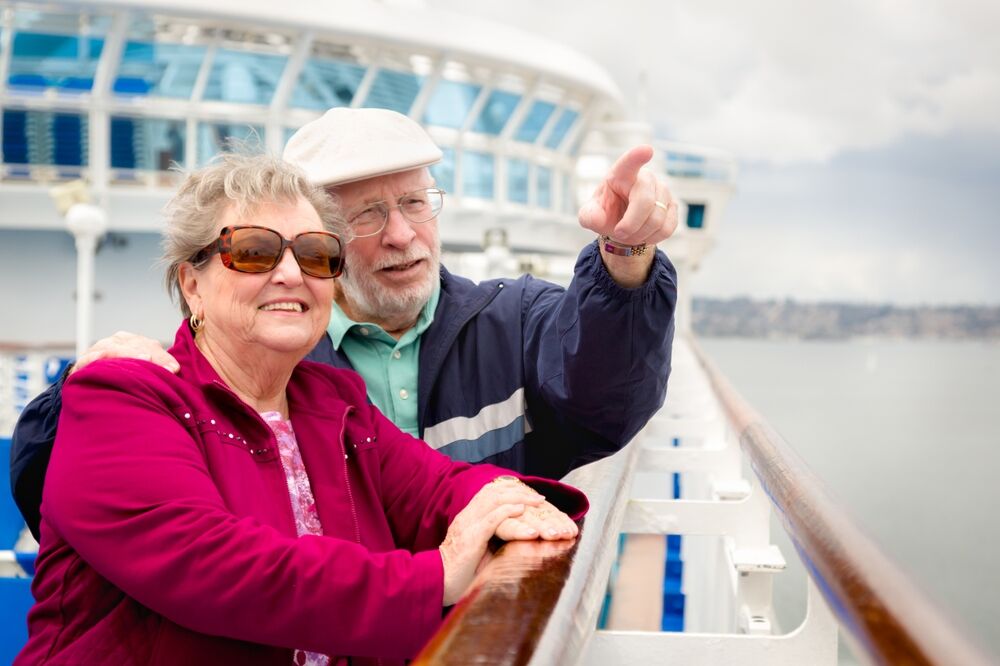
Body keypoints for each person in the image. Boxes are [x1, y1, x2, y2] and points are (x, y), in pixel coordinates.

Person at [15, 153, 585, 665]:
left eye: (316, 254)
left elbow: (434, 488)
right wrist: (432, 577)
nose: (291, 273)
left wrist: (518, 509)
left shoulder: (330, 402)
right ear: (192, 283)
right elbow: (214, 568)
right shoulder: (123, 396)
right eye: (254, 251)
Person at [10, 108, 678, 540]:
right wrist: (79, 392)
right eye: (365, 215)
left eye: (416, 202)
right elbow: (57, 489)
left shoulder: (515, 319)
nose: (401, 234)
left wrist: (624, 260)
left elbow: (607, 402)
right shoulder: (270, 359)